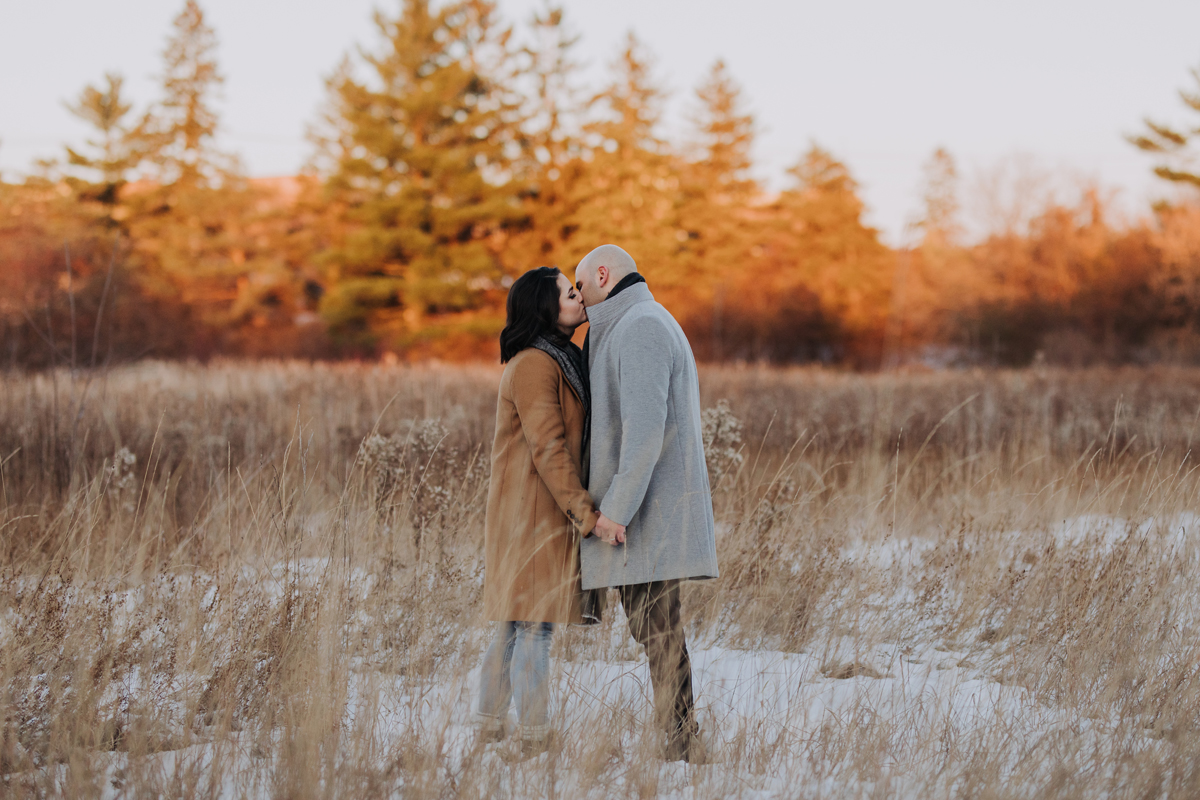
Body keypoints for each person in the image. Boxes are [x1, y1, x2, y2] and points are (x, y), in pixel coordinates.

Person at [573, 244, 719, 763]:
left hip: (647, 517)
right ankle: (678, 739)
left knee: (660, 630)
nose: (578, 297)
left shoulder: (640, 328)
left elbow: (644, 434)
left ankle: (680, 744)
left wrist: (615, 511)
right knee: (654, 629)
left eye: (581, 285)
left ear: (604, 275)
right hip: (644, 517)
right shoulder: (632, 322)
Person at [476, 266, 604, 759]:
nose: (579, 298)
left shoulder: (559, 357)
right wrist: (586, 514)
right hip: (532, 515)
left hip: (531, 511)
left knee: (514, 624)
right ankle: (534, 737)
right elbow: (549, 448)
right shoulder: (534, 363)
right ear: (545, 308)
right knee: (535, 627)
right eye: (570, 293)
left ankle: (488, 725)